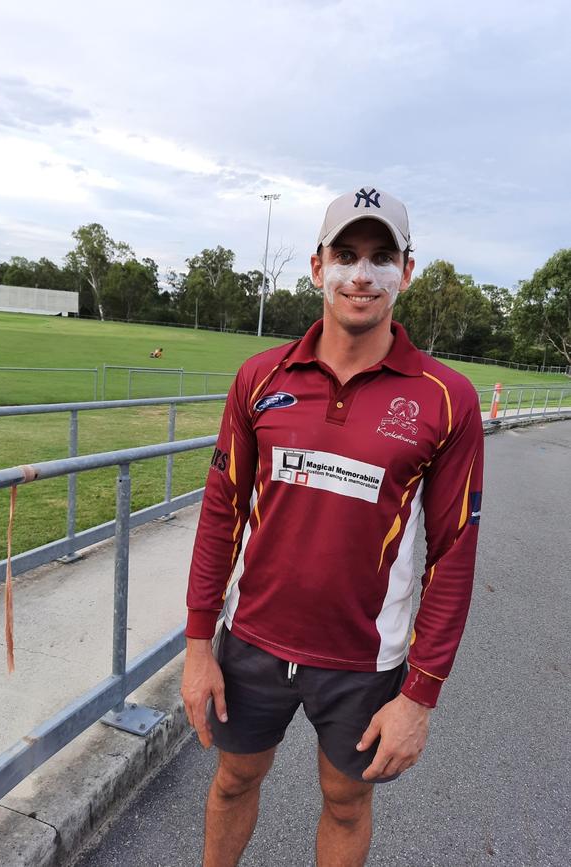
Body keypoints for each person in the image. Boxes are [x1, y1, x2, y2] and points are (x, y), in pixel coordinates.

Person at [182, 186, 483, 867]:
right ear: (317, 267)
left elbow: (455, 550)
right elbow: (222, 509)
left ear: (407, 271)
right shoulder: (261, 377)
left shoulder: (446, 398)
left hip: (362, 658)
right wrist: (200, 642)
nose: (361, 274)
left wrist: (421, 694)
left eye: (381, 257)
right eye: (346, 254)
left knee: (346, 802)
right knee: (233, 780)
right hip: (252, 638)